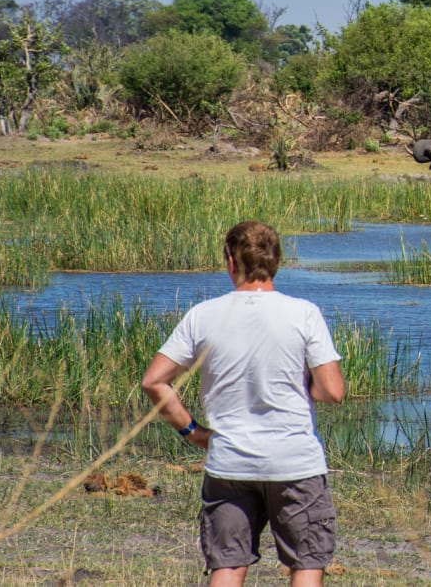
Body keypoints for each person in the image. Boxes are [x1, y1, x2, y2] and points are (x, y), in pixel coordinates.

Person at [141, 220, 346, 587]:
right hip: (295, 462)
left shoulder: (202, 315)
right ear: (276, 262)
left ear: (231, 262)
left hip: (229, 462)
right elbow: (333, 391)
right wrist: (306, 385)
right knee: (306, 565)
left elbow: (154, 381)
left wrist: (193, 432)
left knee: (228, 566)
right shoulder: (304, 313)